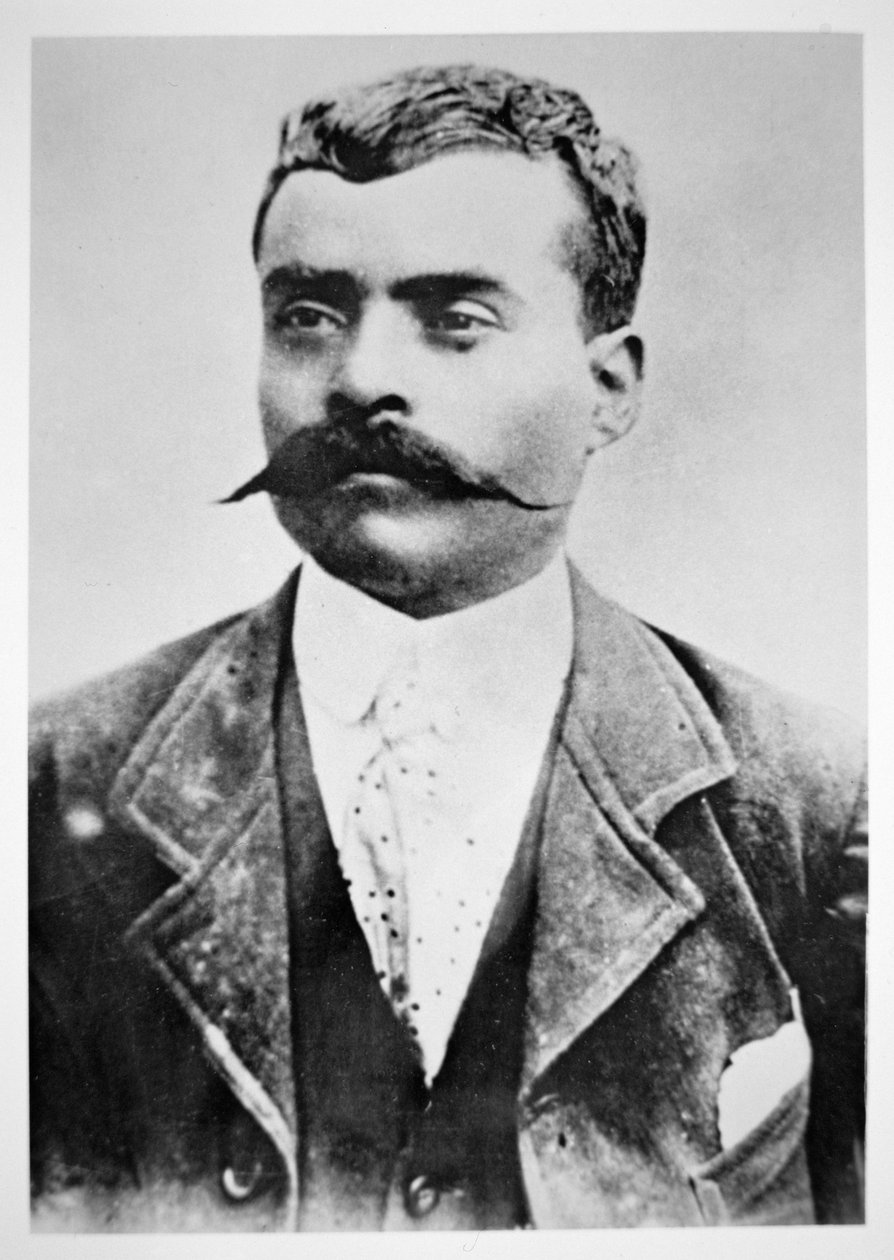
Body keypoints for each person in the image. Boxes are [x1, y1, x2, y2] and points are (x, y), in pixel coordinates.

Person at [29, 63, 866, 1231]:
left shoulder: (816, 808)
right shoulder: (49, 785)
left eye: (456, 321)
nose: (362, 380)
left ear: (610, 387)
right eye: (307, 317)